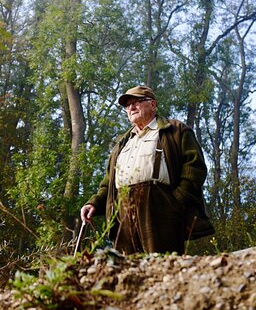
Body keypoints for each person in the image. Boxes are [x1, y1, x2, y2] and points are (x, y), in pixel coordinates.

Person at [80, 85, 211, 254]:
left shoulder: (176, 130)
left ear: (153, 105)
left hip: (161, 208)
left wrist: (176, 202)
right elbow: (108, 184)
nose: (131, 107)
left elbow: (195, 168)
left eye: (137, 102)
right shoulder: (121, 144)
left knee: (162, 264)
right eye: (127, 105)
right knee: (127, 269)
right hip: (122, 211)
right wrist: (94, 203)